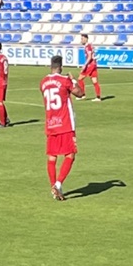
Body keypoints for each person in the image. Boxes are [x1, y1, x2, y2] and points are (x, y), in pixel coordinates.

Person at [42, 55, 85, 201]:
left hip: (51, 123)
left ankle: (53, 185)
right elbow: (80, 93)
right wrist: (73, 80)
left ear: (50, 66)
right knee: (70, 154)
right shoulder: (65, 80)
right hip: (65, 124)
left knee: (52, 156)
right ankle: (58, 184)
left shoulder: (43, 83)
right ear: (61, 67)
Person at [78, 33, 102, 102]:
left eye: (82, 39)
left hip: (90, 65)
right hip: (94, 64)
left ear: (86, 39)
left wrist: (85, 65)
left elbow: (89, 57)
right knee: (95, 81)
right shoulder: (89, 46)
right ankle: (98, 97)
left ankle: (82, 95)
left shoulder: (88, 46)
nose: (81, 40)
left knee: (80, 79)